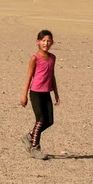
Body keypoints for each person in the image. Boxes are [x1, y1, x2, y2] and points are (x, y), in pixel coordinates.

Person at [20, 29, 60, 160]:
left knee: (49, 121)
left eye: (48, 41)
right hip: (36, 93)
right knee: (40, 120)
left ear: (52, 42)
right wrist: (24, 95)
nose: (46, 43)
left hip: (46, 92)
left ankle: (30, 136)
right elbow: (29, 77)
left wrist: (56, 93)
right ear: (38, 42)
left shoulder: (52, 58)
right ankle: (35, 147)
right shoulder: (35, 58)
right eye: (43, 41)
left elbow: (52, 76)